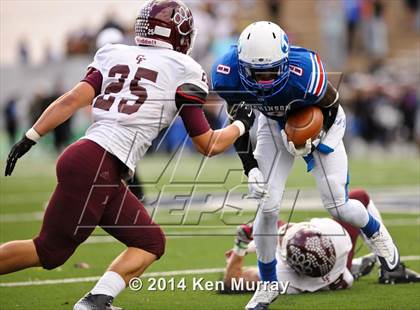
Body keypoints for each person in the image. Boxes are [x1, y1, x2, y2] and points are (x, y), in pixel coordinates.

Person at [1, 1, 255, 310]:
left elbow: (70, 100)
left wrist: (31, 136)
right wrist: (242, 124)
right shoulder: (183, 69)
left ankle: (96, 301)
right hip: (98, 165)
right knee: (49, 252)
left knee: (150, 242)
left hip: (95, 161)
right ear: (178, 34)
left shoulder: (114, 54)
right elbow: (209, 144)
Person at [211, 21, 399, 309]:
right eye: (256, 73)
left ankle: (376, 234)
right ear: (241, 63)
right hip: (274, 126)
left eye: (271, 71)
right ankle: (269, 285)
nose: (264, 80)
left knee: (337, 204)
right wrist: (250, 169)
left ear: (285, 60)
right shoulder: (227, 73)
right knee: (267, 204)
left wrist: (316, 140)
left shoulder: (306, 70)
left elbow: (332, 109)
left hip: (322, 124)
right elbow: (239, 123)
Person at [222, 189, 420, 296]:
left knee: (268, 224)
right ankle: (389, 269)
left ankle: (354, 267)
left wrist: (242, 245)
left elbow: (232, 280)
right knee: (359, 198)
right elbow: (282, 231)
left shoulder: (283, 277)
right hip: (340, 269)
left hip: (335, 276)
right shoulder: (335, 236)